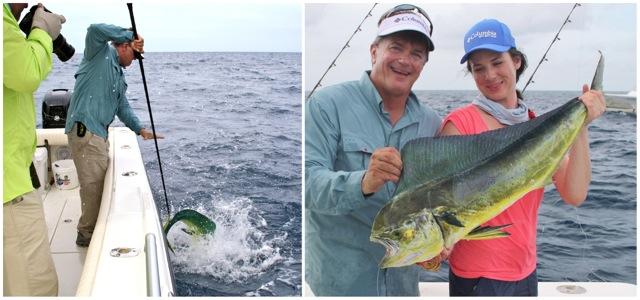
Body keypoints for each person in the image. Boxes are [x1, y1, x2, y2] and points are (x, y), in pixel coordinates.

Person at [435, 19, 605, 296]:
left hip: (526, 272)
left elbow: (574, 195)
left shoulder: (537, 126)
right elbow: (441, 202)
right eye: (479, 68)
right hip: (478, 276)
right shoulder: (460, 124)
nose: (489, 75)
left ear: (515, 61)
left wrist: (581, 126)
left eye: (497, 62)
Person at [305, 4, 441, 296]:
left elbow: (435, 201)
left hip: (403, 287)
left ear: (423, 64)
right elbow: (305, 183)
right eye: (396, 47)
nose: (405, 60)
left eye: (416, 54)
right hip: (341, 286)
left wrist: (440, 243)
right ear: (374, 51)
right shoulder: (326, 105)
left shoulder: (432, 123)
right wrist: (363, 183)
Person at [64, 23, 162, 247]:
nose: (134, 63)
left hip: (99, 135)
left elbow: (123, 107)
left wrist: (141, 129)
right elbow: (93, 29)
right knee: (93, 190)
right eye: (136, 56)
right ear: (126, 47)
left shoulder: (118, 74)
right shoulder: (98, 53)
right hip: (86, 132)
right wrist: (130, 34)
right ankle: (86, 235)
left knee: (98, 187)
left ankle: (92, 231)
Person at [4, 2, 66, 296]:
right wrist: (41, 32)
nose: (26, 3)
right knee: (36, 286)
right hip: (9, 186)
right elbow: (26, 74)